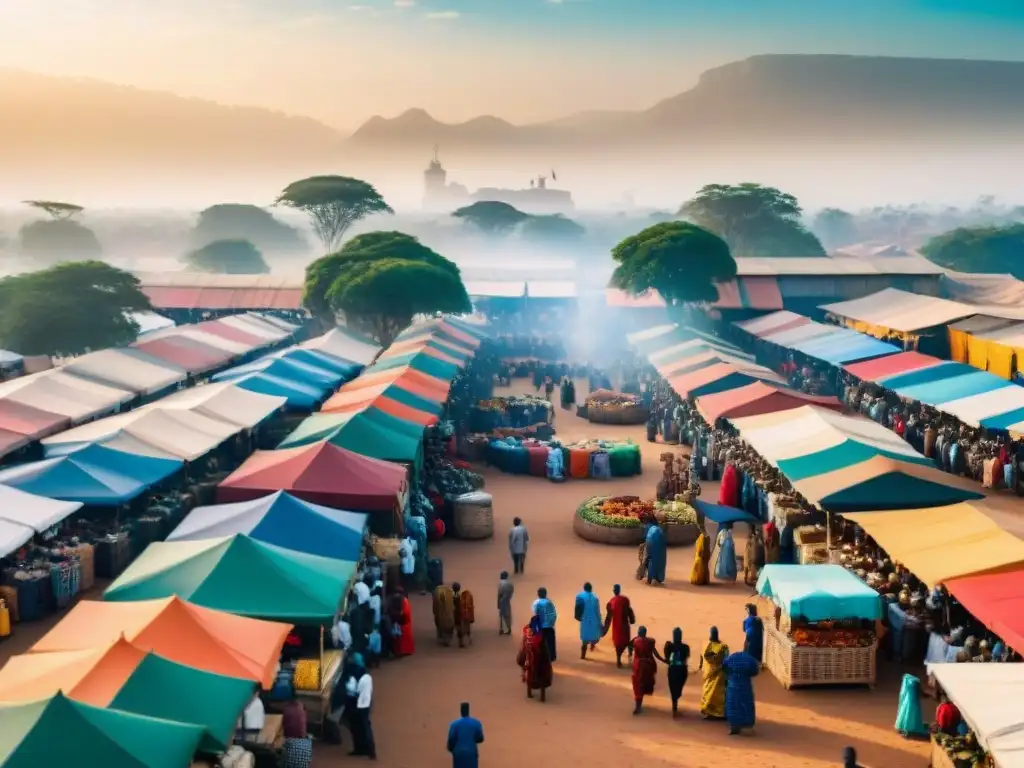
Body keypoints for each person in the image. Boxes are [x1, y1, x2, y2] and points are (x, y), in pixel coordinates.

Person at [517, 608, 553, 702]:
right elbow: (545, 652)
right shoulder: (541, 636)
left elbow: (523, 646)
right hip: (540, 659)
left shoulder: (527, 633)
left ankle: (529, 692)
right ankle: (542, 696)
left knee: (526, 667)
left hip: (527, 657)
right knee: (545, 669)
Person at [722, 650, 760, 735]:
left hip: (732, 686)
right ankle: (748, 726)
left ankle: (733, 726)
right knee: (746, 705)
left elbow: (724, 667)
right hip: (745, 686)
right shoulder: (750, 659)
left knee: (732, 705)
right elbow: (755, 671)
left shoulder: (730, 658)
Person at [348, 654, 376, 759]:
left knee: (360, 727)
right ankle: (365, 749)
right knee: (361, 727)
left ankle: (365, 749)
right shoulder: (365, 674)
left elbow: (352, 689)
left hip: (358, 704)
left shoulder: (357, 675)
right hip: (365, 703)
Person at [602, 584, 636, 668]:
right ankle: (629, 654)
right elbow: (630, 612)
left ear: (614, 591)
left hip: (616, 627)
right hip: (624, 626)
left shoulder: (611, 602)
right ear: (619, 590)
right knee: (626, 641)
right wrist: (632, 620)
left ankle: (618, 660)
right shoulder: (625, 600)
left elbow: (608, 617)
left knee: (618, 644)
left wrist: (604, 630)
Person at [699, 627, 729, 719]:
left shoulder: (706, 645)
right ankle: (719, 713)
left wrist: (700, 667)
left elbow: (701, 659)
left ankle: (710, 713)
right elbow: (727, 659)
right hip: (720, 675)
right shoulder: (723, 647)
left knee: (708, 693)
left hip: (709, 674)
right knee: (719, 694)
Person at [661, 627, 690, 718]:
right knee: (678, 688)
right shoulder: (685, 647)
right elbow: (686, 658)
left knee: (673, 688)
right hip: (681, 670)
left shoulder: (669, 646)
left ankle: (674, 705)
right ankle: (675, 705)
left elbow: (666, 657)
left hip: (672, 669)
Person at [447, 702, 485, 768]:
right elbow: (481, 738)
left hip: (458, 754)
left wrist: (451, 749)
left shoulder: (454, 724)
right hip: (471, 753)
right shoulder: (476, 723)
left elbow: (451, 740)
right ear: (468, 710)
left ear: (461, 711)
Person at [631, 626, 658, 714]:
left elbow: (630, 646)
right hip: (647, 665)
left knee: (637, 686)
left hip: (638, 666)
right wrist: (664, 660)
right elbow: (655, 654)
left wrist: (630, 653)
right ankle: (638, 706)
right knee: (642, 685)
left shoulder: (635, 641)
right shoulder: (650, 642)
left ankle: (637, 706)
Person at [575, 582, 603, 659]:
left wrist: (578, 617)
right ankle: (592, 645)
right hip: (594, 620)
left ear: (584, 588)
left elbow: (577, 608)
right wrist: (600, 622)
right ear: (591, 589)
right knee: (594, 635)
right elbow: (597, 611)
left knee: (584, 639)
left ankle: (583, 655)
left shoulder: (579, 596)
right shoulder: (595, 598)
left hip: (585, 620)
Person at [895, 673, 928, 737]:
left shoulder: (906, 680)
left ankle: (904, 730)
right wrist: (929, 695)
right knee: (913, 715)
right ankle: (910, 730)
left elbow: (903, 693)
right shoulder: (916, 681)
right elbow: (921, 693)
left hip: (906, 701)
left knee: (905, 714)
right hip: (914, 701)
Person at [531, 587, 558, 662]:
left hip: (539, 627)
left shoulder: (535, 603)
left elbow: (535, 615)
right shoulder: (549, 603)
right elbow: (554, 615)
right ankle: (551, 657)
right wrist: (551, 623)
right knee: (550, 643)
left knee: (537, 643)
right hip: (549, 627)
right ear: (545, 594)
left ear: (538, 594)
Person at [453, 582, 475, 648]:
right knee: (465, 627)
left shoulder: (452, 596)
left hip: (456, 614)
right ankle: (467, 639)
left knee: (459, 628)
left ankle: (461, 642)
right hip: (461, 614)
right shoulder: (461, 596)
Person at [497, 571, 515, 635]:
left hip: (502, 600)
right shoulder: (510, 583)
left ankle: (503, 629)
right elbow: (512, 591)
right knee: (508, 615)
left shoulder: (501, 583)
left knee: (502, 615)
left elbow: (499, 594)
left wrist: (498, 603)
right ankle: (508, 628)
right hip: (507, 600)